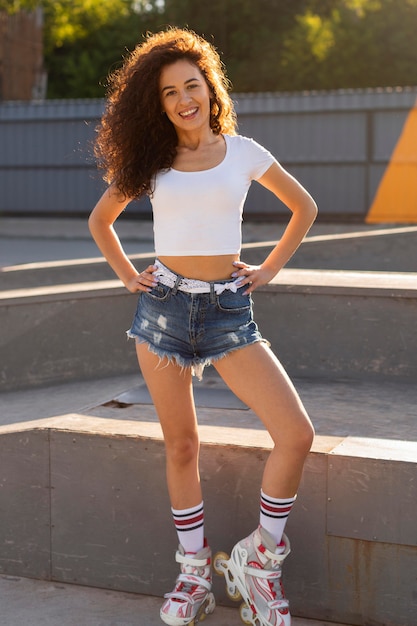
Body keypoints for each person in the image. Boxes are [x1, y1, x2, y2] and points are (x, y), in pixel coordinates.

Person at [89, 27, 317, 626]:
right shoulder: (152, 162)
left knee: (296, 434)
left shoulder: (242, 152)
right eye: (169, 93)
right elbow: (101, 220)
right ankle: (194, 576)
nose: (184, 99)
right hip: (162, 310)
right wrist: (126, 276)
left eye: (192, 85)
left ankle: (259, 560)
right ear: (157, 104)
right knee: (181, 444)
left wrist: (266, 269)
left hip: (226, 313)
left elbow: (305, 207)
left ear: (210, 90)